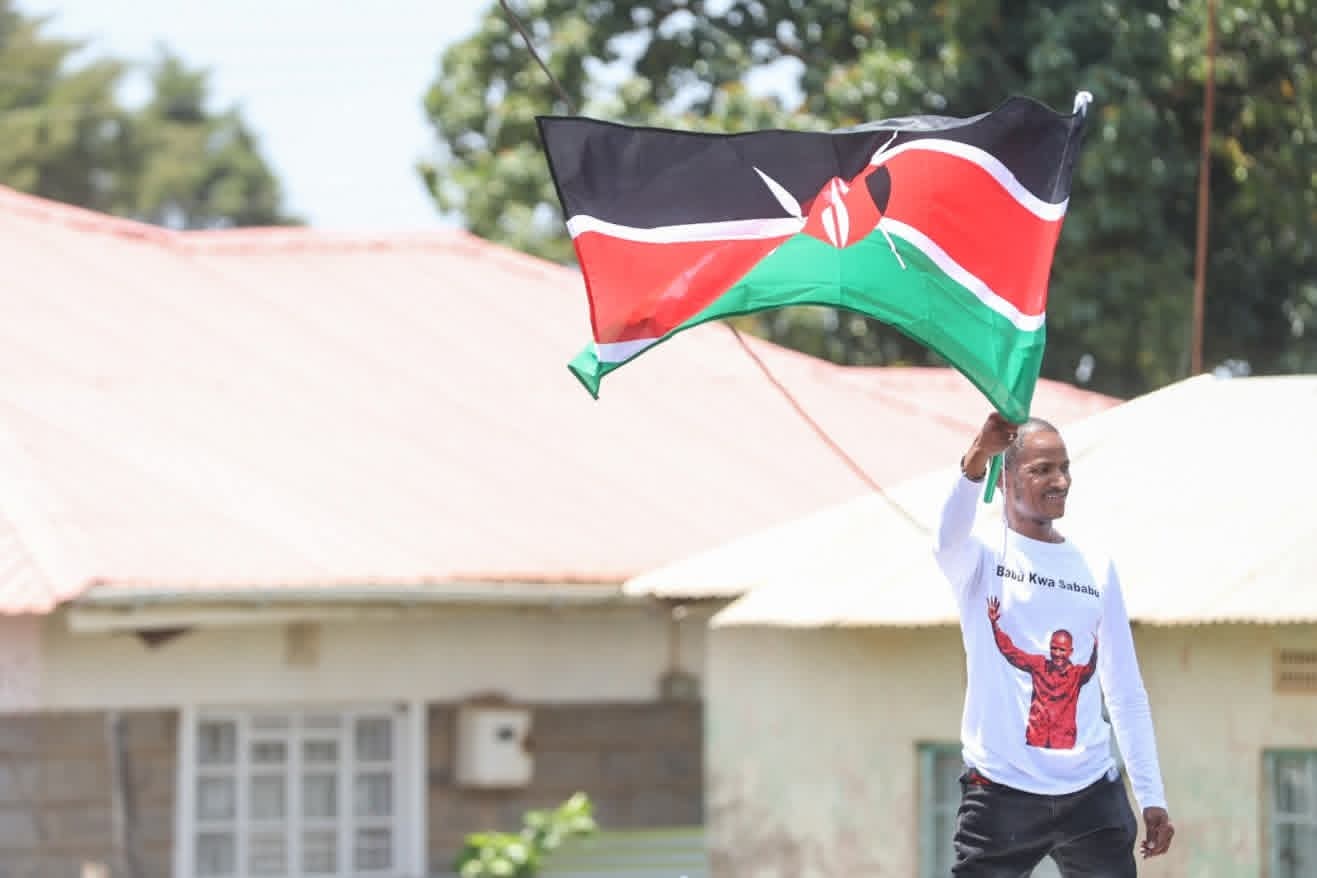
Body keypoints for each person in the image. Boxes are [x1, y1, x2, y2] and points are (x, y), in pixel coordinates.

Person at [933, 412, 1174, 876]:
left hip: (1090, 795)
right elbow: (945, 541)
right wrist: (977, 456)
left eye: (1064, 467)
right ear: (1006, 479)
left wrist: (1151, 796)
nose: (1059, 480)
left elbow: (1123, 692)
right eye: (1041, 469)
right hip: (1001, 794)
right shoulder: (981, 558)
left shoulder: (1095, 568)